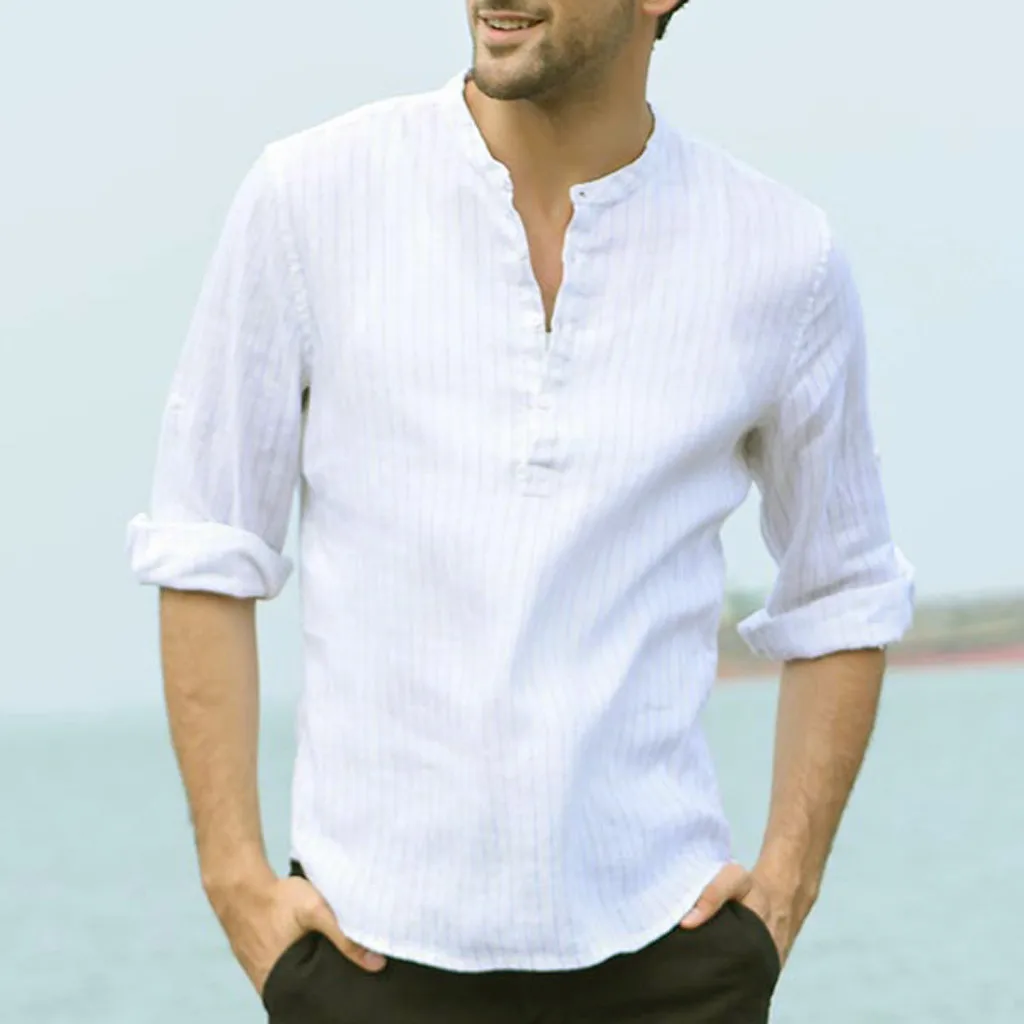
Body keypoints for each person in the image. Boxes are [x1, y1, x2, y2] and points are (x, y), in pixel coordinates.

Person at [126, 1, 915, 1021]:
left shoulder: (781, 257)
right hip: (366, 961)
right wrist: (237, 882)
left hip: (669, 961)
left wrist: (782, 892)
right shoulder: (309, 199)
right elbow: (205, 543)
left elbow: (844, 591)